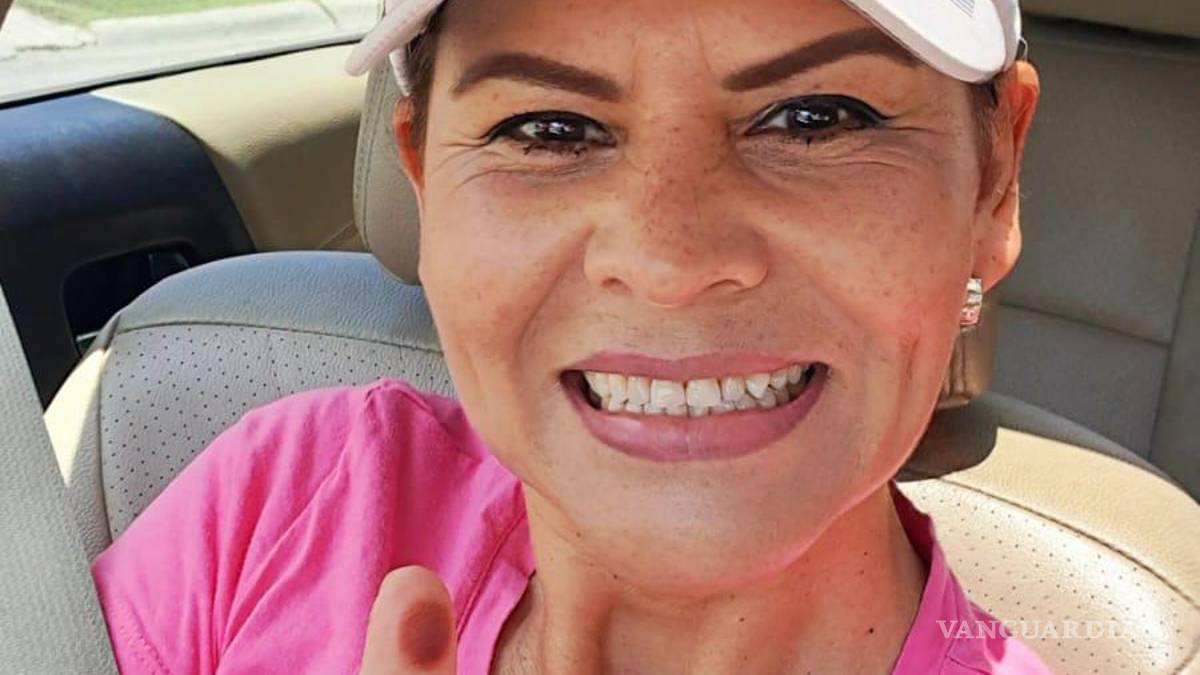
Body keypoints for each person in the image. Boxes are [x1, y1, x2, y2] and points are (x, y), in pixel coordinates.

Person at [90, 0, 1047, 672]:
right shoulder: (284, 506)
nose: (667, 260)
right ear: (424, 183)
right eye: (548, 129)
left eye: (815, 118)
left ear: (994, 179)